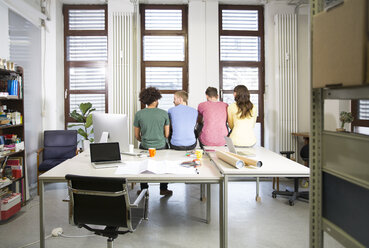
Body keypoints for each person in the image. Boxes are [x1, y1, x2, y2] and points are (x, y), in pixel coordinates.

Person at [133, 87, 172, 196]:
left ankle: (144, 189)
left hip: (145, 146)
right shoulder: (164, 113)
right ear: (155, 100)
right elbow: (167, 134)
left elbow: (136, 135)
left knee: (143, 167)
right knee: (163, 166)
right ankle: (163, 189)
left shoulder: (139, 114)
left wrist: (144, 139)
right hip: (161, 146)